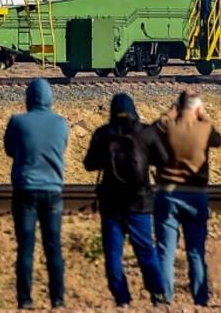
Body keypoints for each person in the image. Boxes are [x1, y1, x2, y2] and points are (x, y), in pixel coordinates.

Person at [83, 93, 167, 307]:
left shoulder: (102, 134)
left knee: (113, 256)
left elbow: (89, 164)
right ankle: (157, 294)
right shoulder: (146, 133)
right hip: (140, 203)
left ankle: (122, 299)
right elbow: (164, 160)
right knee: (146, 251)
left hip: (111, 205)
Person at [4, 78, 69, 310]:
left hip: (25, 189)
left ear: (28, 98)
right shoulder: (61, 123)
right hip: (52, 190)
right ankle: (58, 299)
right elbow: (61, 147)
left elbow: (9, 149)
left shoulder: (18, 122)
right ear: (50, 98)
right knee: (53, 247)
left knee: (25, 247)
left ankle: (25, 299)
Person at [154, 90, 221, 306]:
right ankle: (200, 298)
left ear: (178, 107)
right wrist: (204, 116)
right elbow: (218, 140)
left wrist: (170, 113)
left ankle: (166, 296)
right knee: (195, 251)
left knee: (165, 250)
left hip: (167, 193)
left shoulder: (168, 126)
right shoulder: (205, 128)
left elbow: (155, 127)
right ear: (197, 108)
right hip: (196, 196)